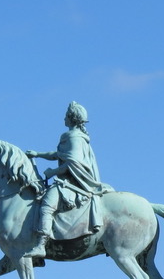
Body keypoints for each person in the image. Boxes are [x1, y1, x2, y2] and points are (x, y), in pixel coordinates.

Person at [24, 101, 112, 256]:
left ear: (71, 118)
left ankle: (41, 245)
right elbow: (59, 154)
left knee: (46, 206)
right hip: (70, 181)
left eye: (66, 115)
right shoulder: (75, 137)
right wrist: (38, 154)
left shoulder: (73, 137)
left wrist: (53, 172)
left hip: (73, 184)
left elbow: (73, 163)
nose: (64, 118)